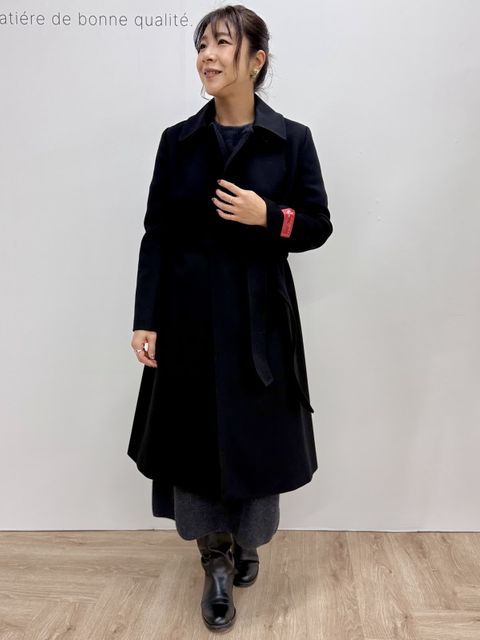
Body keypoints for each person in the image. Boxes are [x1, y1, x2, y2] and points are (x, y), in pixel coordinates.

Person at [128, 4, 333, 632]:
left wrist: (268, 216)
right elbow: (158, 234)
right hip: (187, 316)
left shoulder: (291, 139)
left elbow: (317, 226)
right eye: (202, 45)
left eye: (222, 44)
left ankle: (246, 542)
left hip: (259, 316)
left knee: (256, 437)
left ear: (256, 59)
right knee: (191, 437)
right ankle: (213, 559)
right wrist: (146, 317)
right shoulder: (178, 141)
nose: (208, 57)